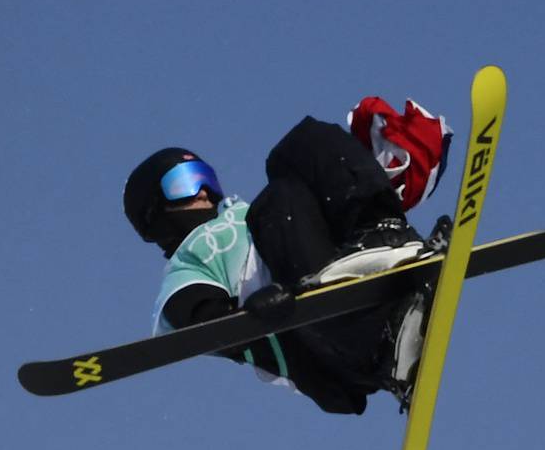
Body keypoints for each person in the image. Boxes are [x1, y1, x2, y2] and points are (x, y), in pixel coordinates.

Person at [121, 98, 452, 415]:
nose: (205, 191)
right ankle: (380, 345)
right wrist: (255, 315)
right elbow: (198, 323)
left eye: (205, 177)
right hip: (322, 341)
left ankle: (386, 236)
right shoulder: (188, 264)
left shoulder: (251, 217)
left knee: (303, 144)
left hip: (351, 272)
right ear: (154, 212)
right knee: (277, 203)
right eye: (185, 183)